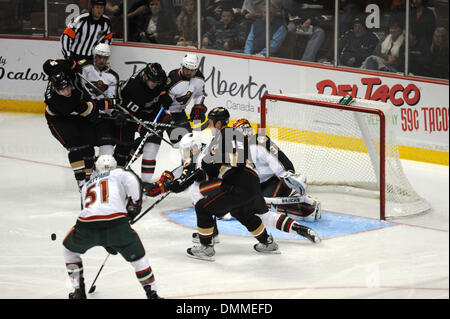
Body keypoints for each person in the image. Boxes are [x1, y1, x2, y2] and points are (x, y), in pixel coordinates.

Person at [168, 107, 321, 261]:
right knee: (241, 212)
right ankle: (267, 243)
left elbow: (237, 160)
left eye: (211, 123)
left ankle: (206, 247)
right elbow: (212, 170)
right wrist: (185, 180)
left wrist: (215, 162)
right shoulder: (218, 141)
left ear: (219, 123)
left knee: (203, 207)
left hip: (239, 182)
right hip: (251, 185)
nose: (209, 126)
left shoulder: (230, 135)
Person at [62, 155, 162, 299]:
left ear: (96, 168)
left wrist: (104, 241)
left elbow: (92, 211)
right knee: (139, 259)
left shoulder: (87, 185)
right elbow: (134, 183)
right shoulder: (119, 173)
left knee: (69, 250)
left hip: (87, 224)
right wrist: (135, 204)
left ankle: (78, 291)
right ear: (115, 166)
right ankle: (151, 293)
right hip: (117, 223)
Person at [43, 58, 119, 189]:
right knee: (75, 146)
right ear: (56, 89)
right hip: (59, 120)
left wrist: (72, 65)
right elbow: (88, 109)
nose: (66, 92)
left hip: (76, 116)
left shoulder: (62, 72)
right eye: (62, 91)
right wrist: (109, 103)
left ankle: (89, 178)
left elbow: (49, 64)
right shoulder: (59, 101)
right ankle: (82, 183)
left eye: (67, 88)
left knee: (88, 147)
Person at [140, 53, 207, 187]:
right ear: (181, 65)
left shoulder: (199, 78)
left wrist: (198, 106)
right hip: (159, 113)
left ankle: (187, 176)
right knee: (151, 148)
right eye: (186, 68)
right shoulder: (172, 78)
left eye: (192, 70)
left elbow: (200, 95)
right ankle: (145, 183)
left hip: (179, 114)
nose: (188, 72)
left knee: (190, 146)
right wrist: (167, 117)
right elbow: (161, 98)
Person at [112, 62, 172, 182]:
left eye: (157, 82)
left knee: (151, 140)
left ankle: (144, 182)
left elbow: (163, 86)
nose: (154, 84)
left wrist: (163, 94)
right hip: (127, 110)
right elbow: (133, 112)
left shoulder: (160, 76)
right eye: (152, 81)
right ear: (145, 77)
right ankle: (115, 170)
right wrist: (140, 125)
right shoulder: (135, 88)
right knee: (124, 144)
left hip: (146, 110)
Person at [79, 43, 120, 161]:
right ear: (94, 55)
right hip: (85, 113)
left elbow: (111, 100)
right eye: (99, 57)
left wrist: (113, 112)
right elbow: (80, 90)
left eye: (105, 58)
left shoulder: (112, 76)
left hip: (101, 116)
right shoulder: (84, 69)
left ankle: (102, 168)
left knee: (107, 147)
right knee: (85, 148)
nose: (102, 60)